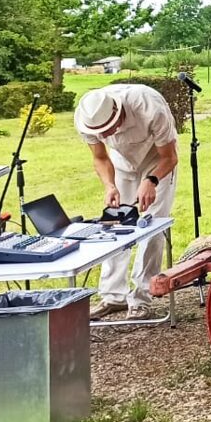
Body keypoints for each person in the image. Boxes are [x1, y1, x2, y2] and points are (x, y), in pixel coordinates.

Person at [75, 84, 179, 321]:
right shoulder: (85, 118)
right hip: (122, 163)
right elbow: (100, 157)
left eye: (109, 128)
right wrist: (109, 185)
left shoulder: (149, 106)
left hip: (157, 160)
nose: (107, 135)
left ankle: (141, 298)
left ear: (118, 112)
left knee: (153, 226)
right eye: (102, 132)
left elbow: (170, 157)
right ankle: (113, 296)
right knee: (115, 224)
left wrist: (151, 180)